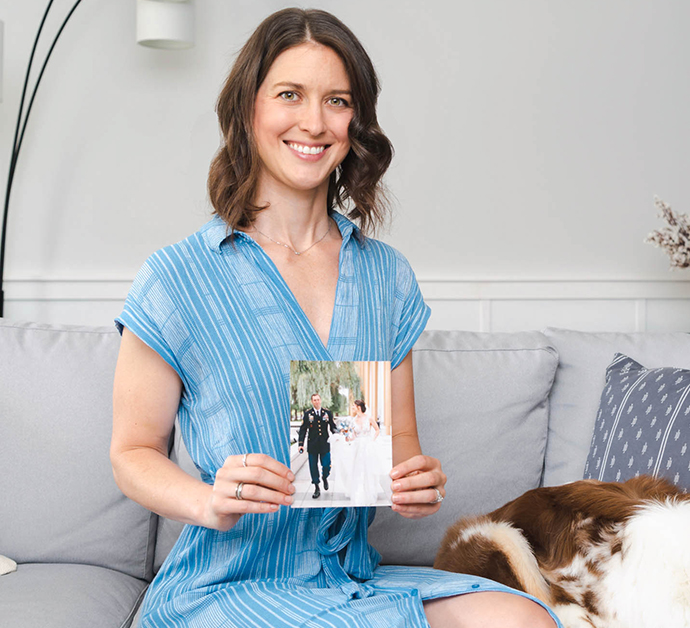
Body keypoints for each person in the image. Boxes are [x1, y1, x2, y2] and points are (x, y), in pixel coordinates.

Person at [108, 8, 558, 628]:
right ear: (249, 110)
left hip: (348, 577)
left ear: (356, 122)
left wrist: (414, 480)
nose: (313, 122)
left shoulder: (384, 276)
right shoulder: (177, 277)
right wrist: (207, 500)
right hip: (226, 585)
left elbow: (398, 448)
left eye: (337, 101)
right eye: (289, 95)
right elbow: (132, 451)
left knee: (520, 618)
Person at [296, 392, 336, 498]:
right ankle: (317, 487)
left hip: (324, 444)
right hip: (312, 445)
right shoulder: (308, 414)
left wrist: (339, 435)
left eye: (318, 399)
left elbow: (332, 427)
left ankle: (324, 477)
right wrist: (300, 444)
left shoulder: (327, 412)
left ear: (320, 400)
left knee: (327, 465)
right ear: (311, 401)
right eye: (314, 400)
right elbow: (303, 429)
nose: (316, 402)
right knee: (313, 467)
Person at [346, 399, 385, 504]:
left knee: (368, 469)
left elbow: (377, 430)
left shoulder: (369, 418)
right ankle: (359, 492)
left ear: (359, 407)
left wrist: (372, 440)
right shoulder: (353, 420)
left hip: (368, 446)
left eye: (354, 406)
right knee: (358, 469)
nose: (352, 408)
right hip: (358, 447)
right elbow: (353, 435)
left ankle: (369, 492)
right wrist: (348, 438)